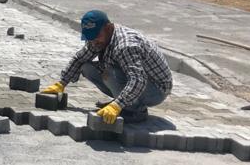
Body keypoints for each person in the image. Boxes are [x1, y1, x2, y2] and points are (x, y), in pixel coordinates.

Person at [41, 10, 173, 124]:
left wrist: (117, 105)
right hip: (137, 80)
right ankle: (124, 102)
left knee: (109, 73)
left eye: (96, 37)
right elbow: (79, 59)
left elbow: (138, 80)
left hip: (156, 90)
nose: (93, 42)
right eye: (90, 38)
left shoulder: (126, 45)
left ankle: (135, 110)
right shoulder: (99, 39)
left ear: (108, 28)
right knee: (86, 66)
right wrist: (61, 83)